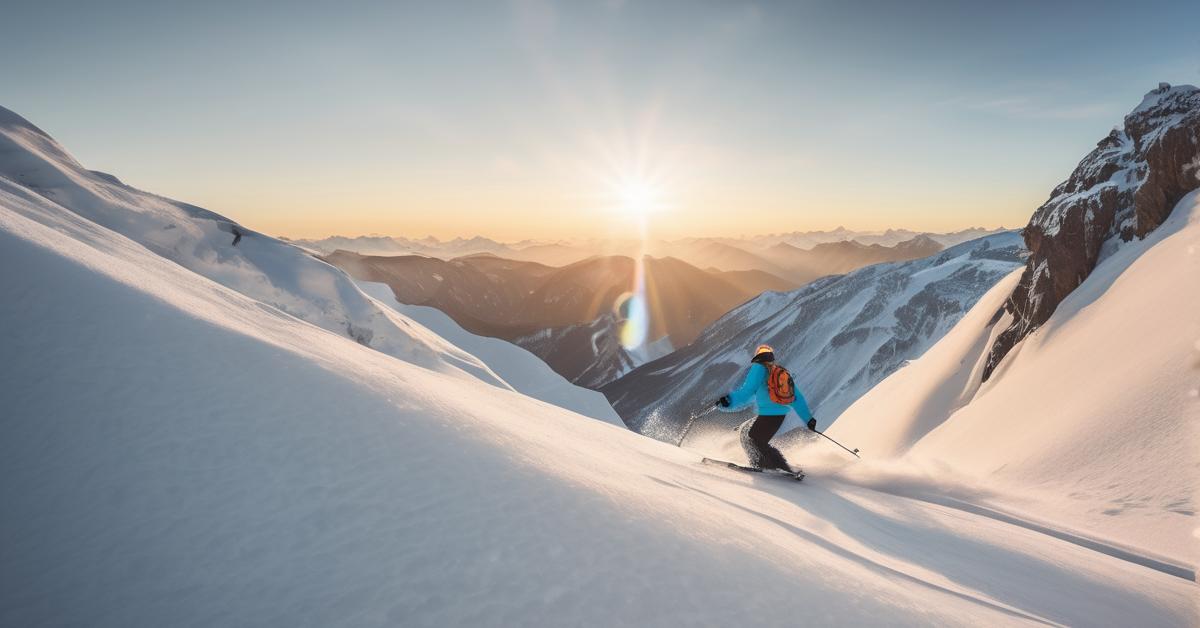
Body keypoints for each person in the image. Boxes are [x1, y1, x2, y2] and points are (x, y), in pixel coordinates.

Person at [715, 344, 816, 473]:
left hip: (769, 415)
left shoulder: (758, 368)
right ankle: (770, 465)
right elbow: (796, 397)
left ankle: (771, 467)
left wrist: (728, 402)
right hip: (778, 415)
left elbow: (747, 391)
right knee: (747, 434)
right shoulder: (778, 371)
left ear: (757, 356)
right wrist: (809, 419)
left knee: (754, 439)